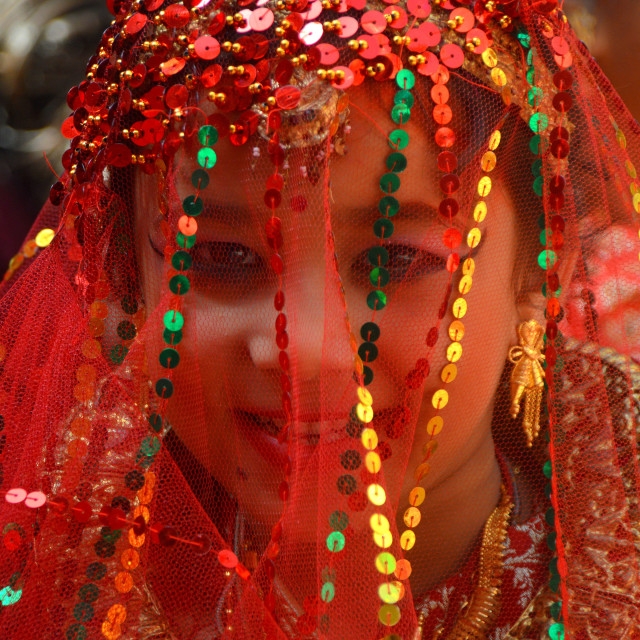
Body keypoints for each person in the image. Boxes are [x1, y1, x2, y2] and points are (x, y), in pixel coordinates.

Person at [0, 0, 639, 638]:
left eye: (392, 261)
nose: (303, 347)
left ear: (539, 269)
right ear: (125, 276)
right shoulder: (56, 567)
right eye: (224, 257)